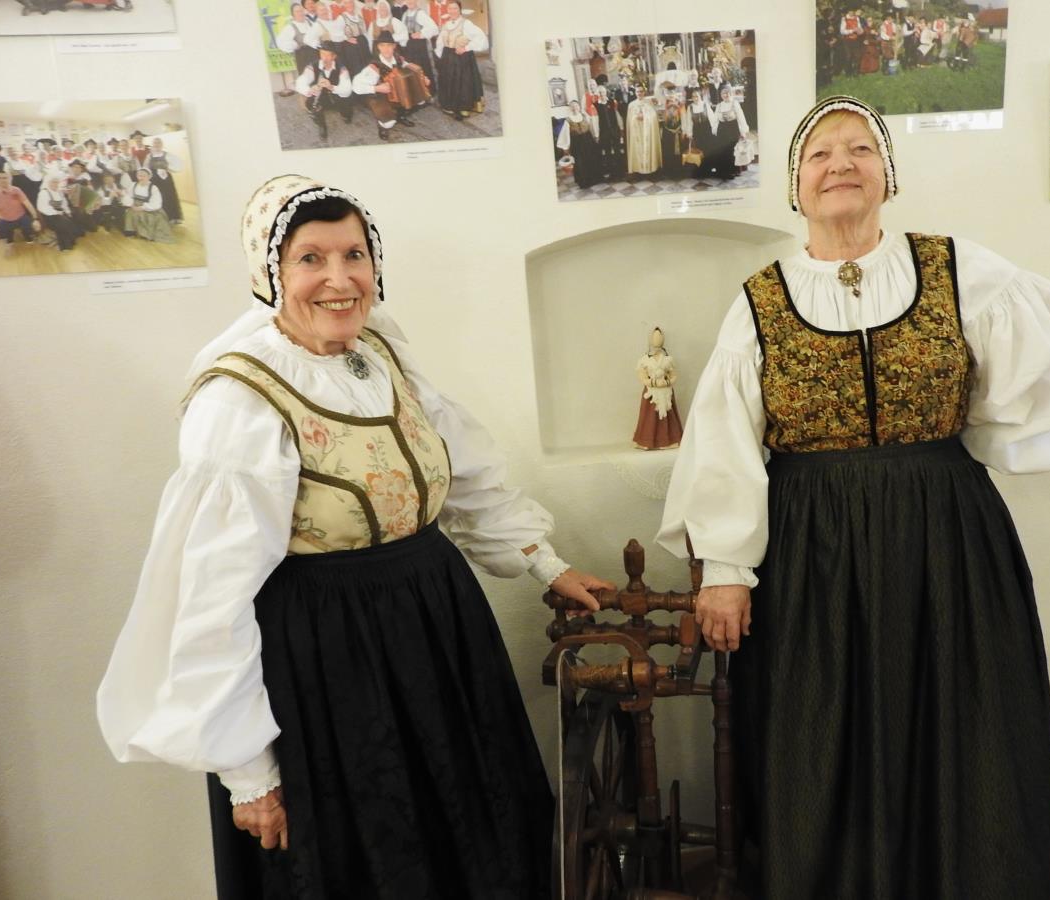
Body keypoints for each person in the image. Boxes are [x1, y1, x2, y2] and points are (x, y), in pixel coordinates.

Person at [97, 174, 614, 899]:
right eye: (311, 258)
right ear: (270, 272)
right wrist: (249, 773)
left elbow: (461, 474)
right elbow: (210, 601)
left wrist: (544, 564)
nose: (340, 280)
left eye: (354, 254)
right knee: (371, 849)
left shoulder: (381, 353)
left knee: (470, 828)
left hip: (436, 625)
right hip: (327, 655)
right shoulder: (239, 400)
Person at [657, 96, 1050, 899]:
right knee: (822, 722)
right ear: (795, 186)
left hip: (946, 534)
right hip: (813, 548)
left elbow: (1043, 371)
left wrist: (958, 452)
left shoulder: (959, 268)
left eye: (860, 149)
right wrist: (725, 568)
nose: (840, 164)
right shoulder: (759, 300)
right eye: (820, 154)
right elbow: (725, 439)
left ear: (887, 175)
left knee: (965, 716)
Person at [352, 29, 428, 139]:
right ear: (378, 47)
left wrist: (421, 78)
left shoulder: (398, 58)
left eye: (389, 45)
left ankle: (400, 116)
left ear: (394, 46)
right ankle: (383, 126)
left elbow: (408, 66)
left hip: (398, 92)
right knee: (389, 122)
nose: (386, 49)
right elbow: (355, 86)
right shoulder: (373, 67)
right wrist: (377, 88)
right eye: (382, 45)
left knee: (416, 99)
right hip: (379, 96)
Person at [434, 0, 488, 119]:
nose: (452, 11)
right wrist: (440, 55)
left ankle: (464, 106)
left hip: (461, 57)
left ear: (460, 10)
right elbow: (440, 41)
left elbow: (482, 39)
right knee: (449, 80)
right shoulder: (446, 24)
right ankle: (450, 105)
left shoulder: (466, 23)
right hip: (448, 56)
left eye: (455, 8)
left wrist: (466, 48)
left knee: (463, 82)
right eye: (450, 9)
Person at [632, 326, 683, 450]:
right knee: (648, 417)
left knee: (668, 417)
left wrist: (667, 382)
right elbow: (642, 377)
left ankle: (669, 440)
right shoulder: (644, 360)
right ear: (650, 339)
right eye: (655, 337)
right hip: (651, 393)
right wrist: (653, 382)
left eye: (659, 337)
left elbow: (674, 375)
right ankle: (646, 440)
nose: (657, 339)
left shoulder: (668, 359)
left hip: (666, 392)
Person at [296, 45, 355, 141]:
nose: (324, 58)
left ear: (334, 56)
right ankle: (322, 126)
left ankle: (346, 114)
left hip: (337, 96)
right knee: (310, 104)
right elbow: (300, 81)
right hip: (322, 97)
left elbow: (347, 90)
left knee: (346, 102)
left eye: (328, 55)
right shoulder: (312, 66)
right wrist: (310, 89)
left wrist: (331, 87)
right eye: (322, 54)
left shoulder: (342, 68)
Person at [556, 99, 600, 189]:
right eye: (572, 106)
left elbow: (591, 126)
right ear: (570, 108)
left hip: (588, 140)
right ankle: (584, 182)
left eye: (576, 106)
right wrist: (566, 147)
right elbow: (565, 134)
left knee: (590, 159)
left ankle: (594, 179)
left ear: (579, 107)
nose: (574, 108)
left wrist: (596, 135)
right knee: (580, 162)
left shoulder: (585, 116)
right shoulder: (568, 120)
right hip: (576, 143)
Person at [0, 169, 41, 253]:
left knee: (33, 228)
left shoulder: (16, 190)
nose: (2, 180)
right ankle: (10, 240)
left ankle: (28, 237)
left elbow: (28, 204)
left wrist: (36, 219)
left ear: (10, 178)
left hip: (21, 217)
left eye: (5, 178)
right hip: (5, 219)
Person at [123, 168, 175, 243]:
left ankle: (147, 234)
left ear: (149, 177)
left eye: (144, 176)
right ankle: (133, 232)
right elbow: (128, 195)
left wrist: (143, 207)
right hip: (134, 206)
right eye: (139, 176)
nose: (141, 178)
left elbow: (156, 202)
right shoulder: (133, 185)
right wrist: (131, 204)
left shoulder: (153, 188)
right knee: (130, 213)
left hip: (149, 208)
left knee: (152, 217)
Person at [35, 174, 82, 251]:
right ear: (48, 182)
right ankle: (64, 246)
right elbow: (42, 208)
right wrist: (56, 212)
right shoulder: (43, 193)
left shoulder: (59, 192)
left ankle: (70, 241)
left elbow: (64, 203)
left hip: (59, 214)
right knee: (64, 224)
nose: (55, 184)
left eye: (57, 182)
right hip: (49, 216)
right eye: (53, 182)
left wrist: (68, 212)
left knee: (73, 218)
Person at [276, 3, 323, 79]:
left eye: (301, 10)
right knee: (307, 80)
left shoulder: (310, 23)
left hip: (316, 56)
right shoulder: (290, 27)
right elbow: (281, 42)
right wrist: (295, 45)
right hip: (303, 58)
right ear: (293, 14)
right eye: (297, 11)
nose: (300, 13)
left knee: (320, 79)